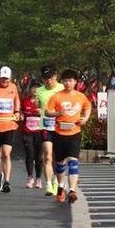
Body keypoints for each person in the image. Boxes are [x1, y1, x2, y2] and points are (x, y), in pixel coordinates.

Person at [45, 68, 92, 204]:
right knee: (60, 164)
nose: (67, 83)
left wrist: (85, 118)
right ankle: (60, 187)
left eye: (70, 80)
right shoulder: (57, 96)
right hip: (59, 133)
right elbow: (48, 112)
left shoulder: (80, 96)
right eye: (65, 80)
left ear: (75, 82)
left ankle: (72, 190)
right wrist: (58, 114)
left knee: (73, 161)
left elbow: (87, 107)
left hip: (75, 133)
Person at [36, 65, 64, 196]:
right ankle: (48, 184)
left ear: (55, 77)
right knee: (47, 155)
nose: (49, 81)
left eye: (51, 78)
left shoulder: (62, 89)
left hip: (60, 127)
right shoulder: (39, 91)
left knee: (57, 158)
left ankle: (56, 182)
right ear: (42, 79)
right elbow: (38, 105)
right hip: (46, 126)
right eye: (45, 78)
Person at [21, 82, 43, 189]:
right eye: (33, 88)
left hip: (39, 132)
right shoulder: (25, 101)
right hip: (27, 131)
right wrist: (20, 115)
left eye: (37, 88)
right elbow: (20, 112)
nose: (35, 90)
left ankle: (38, 178)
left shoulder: (43, 102)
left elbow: (50, 112)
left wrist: (42, 111)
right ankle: (30, 177)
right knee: (29, 155)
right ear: (30, 90)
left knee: (38, 156)